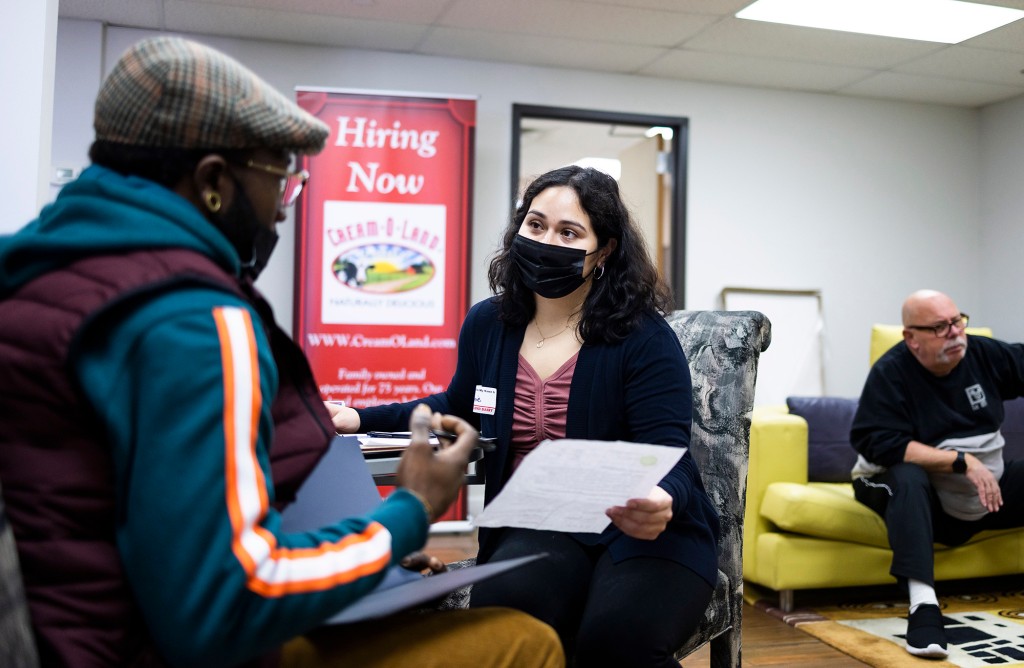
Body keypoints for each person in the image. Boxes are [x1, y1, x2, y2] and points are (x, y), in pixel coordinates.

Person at [0, 36, 563, 668]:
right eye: (282, 181)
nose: (281, 213)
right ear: (214, 180)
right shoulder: (199, 320)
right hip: (161, 647)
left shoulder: (30, 274)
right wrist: (405, 513)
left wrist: (368, 561)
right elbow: (226, 603)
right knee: (526, 641)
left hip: (75, 629)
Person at [330, 165, 720, 666]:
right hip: (539, 526)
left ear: (603, 251)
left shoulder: (641, 337)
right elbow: (457, 407)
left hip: (644, 534)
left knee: (615, 639)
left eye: (569, 232)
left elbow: (670, 453)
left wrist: (660, 497)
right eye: (535, 225)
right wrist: (359, 418)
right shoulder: (488, 324)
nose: (546, 241)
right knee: (507, 623)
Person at [850, 289, 1024, 659]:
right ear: (911, 338)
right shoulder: (891, 372)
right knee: (907, 476)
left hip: (984, 494)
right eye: (940, 327)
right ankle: (923, 606)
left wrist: (976, 466)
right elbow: (876, 442)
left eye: (957, 321)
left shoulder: (983, 354)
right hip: (918, 494)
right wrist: (961, 461)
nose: (955, 333)